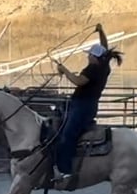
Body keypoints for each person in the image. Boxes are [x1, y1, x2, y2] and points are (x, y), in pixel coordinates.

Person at [51, 23, 123, 182]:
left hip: (82, 106)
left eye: (89, 55)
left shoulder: (92, 70)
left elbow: (78, 81)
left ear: (94, 57)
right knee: (66, 131)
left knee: (67, 135)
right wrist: (102, 32)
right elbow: (105, 46)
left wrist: (64, 70)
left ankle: (65, 171)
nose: (87, 56)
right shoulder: (104, 66)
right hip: (88, 105)